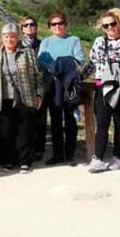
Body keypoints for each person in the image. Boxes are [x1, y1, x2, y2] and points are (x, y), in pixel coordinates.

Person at [0, 23, 44, 173]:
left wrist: (39, 94)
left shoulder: (27, 53)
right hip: (2, 98)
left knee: (25, 130)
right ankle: (9, 160)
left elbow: (38, 75)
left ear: (18, 38)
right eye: (6, 36)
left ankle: (25, 162)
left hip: (25, 96)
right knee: (5, 131)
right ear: (2, 38)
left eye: (12, 36)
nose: (9, 39)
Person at [88, 11, 120, 173]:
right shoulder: (98, 41)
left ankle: (116, 157)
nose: (110, 28)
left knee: (119, 121)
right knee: (102, 123)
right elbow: (94, 61)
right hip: (103, 86)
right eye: (106, 25)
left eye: (113, 24)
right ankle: (98, 158)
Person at [37, 13, 85, 166]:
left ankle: (70, 154)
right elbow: (41, 60)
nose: (57, 26)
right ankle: (57, 154)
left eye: (60, 23)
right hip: (52, 84)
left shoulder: (74, 40)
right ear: (50, 27)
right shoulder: (46, 42)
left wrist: (59, 65)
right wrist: (55, 69)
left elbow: (79, 60)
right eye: (53, 24)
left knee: (70, 119)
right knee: (56, 120)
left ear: (66, 24)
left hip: (69, 84)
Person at [20, 16, 46, 161]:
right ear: (22, 29)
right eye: (26, 25)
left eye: (32, 24)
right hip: (24, 87)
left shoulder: (43, 44)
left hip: (40, 85)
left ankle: (39, 149)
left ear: (36, 27)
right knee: (26, 121)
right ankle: (27, 148)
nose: (29, 27)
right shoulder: (18, 45)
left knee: (40, 120)